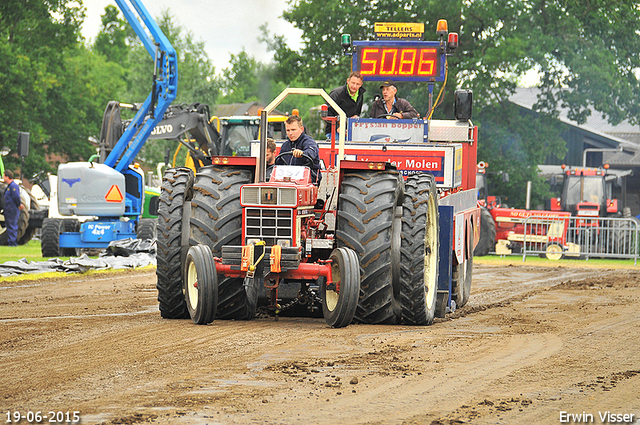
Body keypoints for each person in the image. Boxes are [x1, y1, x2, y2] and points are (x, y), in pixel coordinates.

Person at [279, 115, 322, 185]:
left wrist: (302, 154)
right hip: (287, 180)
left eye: (293, 130)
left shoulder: (309, 142)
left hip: (308, 181)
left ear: (301, 129)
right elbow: (279, 163)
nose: (290, 133)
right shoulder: (285, 146)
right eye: (288, 130)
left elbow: (311, 153)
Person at [325, 71, 365, 138]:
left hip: (351, 131)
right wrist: (337, 128)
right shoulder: (337, 93)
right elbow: (327, 112)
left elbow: (357, 112)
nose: (354, 86)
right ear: (348, 81)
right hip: (334, 132)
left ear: (361, 84)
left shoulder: (360, 95)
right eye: (353, 83)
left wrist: (355, 116)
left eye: (357, 84)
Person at [2, 170, 24, 246]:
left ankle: (13, 243)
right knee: (9, 226)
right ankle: (11, 242)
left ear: (7, 176)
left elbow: (16, 197)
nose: (3, 177)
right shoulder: (9, 186)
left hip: (12, 209)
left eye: (4, 176)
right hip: (8, 209)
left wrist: (19, 204)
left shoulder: (13, 186)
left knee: (12, 226)